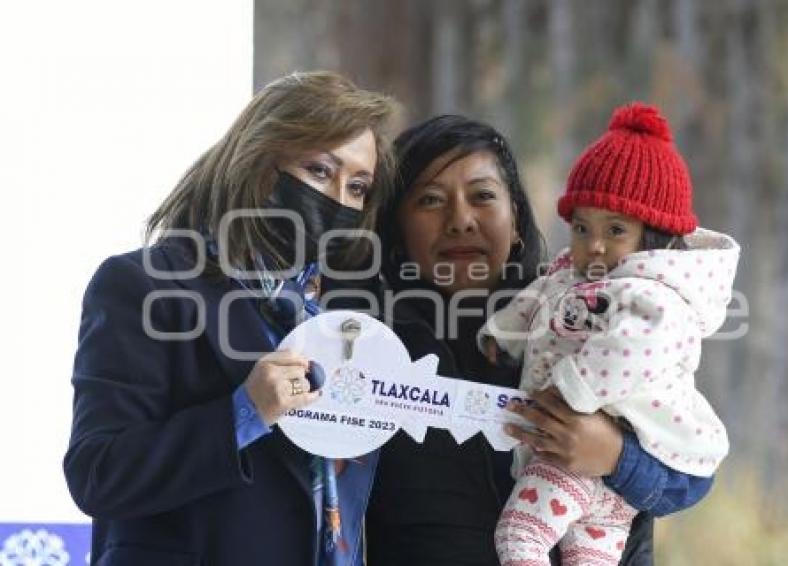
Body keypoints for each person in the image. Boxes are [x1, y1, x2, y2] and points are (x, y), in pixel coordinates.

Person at [63, 71, 397, 566]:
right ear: (261, 163)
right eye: (320, 171)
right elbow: (99, 473)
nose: (338, 200)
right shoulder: (146, 283)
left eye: (357, 187)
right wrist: (244, 413)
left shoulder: (334, 317)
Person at [366, 114, 715, 566]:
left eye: (483, 196)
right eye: (431, 200)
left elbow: (691, 468)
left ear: (515, 221)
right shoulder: (370, 345)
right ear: (396, 231)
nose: (460, 220)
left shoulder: (588, 323)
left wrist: (614, 456)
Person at [482, 103, 740, 565]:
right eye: (582, 227)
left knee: (521, 537)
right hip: (598, 484)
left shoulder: (655, 299)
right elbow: (538, 299)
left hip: (586, 457)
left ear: (653, 237)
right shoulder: (573, 274)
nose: (594, 244)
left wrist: (570, 391)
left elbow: (628, 352)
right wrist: (501, 334)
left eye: (615, 230)